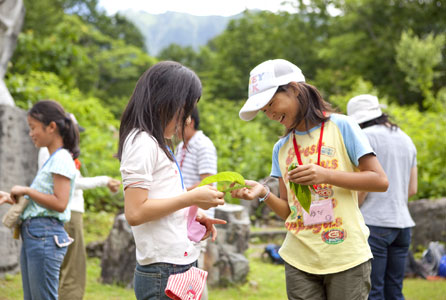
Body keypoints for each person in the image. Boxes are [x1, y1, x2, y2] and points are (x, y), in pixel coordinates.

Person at [231, 59, 389, 300]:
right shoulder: (281, 148)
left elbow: (379, 180)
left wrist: (326, 175)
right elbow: (290, 212)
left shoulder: (342, 126)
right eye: (264, 110)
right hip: (299, 260)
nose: (270, 114)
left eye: (271, 103)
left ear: (294, 89)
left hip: (346, 256)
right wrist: (263, 192)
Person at [117, 61, 226, 300]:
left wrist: (192, 214)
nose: (187, 120)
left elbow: (160, 198)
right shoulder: (142, 142)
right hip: (163, 270)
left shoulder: (158, 144)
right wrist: (191, 197)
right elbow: (135, 212)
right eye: (185, 110)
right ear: (166, 102)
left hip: (178, 262)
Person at [0, 100, 78, 299]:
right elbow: (45, 202)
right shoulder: (54, 159)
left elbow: (60, 203)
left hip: (44, 235)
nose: (30, 133)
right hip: (37, 234)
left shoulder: (61, 158)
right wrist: (12, 198)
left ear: (51, 127)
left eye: (33, 127)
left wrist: (27, 190)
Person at [38, 116, 121, 300]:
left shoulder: (53, 150)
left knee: (60, 269)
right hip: (70, 212)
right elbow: (71, 184)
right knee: (73, 270)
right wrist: (104, 180)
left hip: (60, 212)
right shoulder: (59, 153)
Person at [347, 94, 417, 300]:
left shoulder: (364, 137)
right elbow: (412, 189)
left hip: (374, 223)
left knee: (373, 291)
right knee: (395, 290)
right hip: (403, 225)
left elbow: (363, 186)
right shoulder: (406, 138)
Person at [175, 107, 218, 300]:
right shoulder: (180, 146)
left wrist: (180, 194)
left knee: (194, 267)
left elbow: (208, 181)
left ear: (189, 121)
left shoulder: (203, 144)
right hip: (182, 212)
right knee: (185, 268)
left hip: (198, 214)